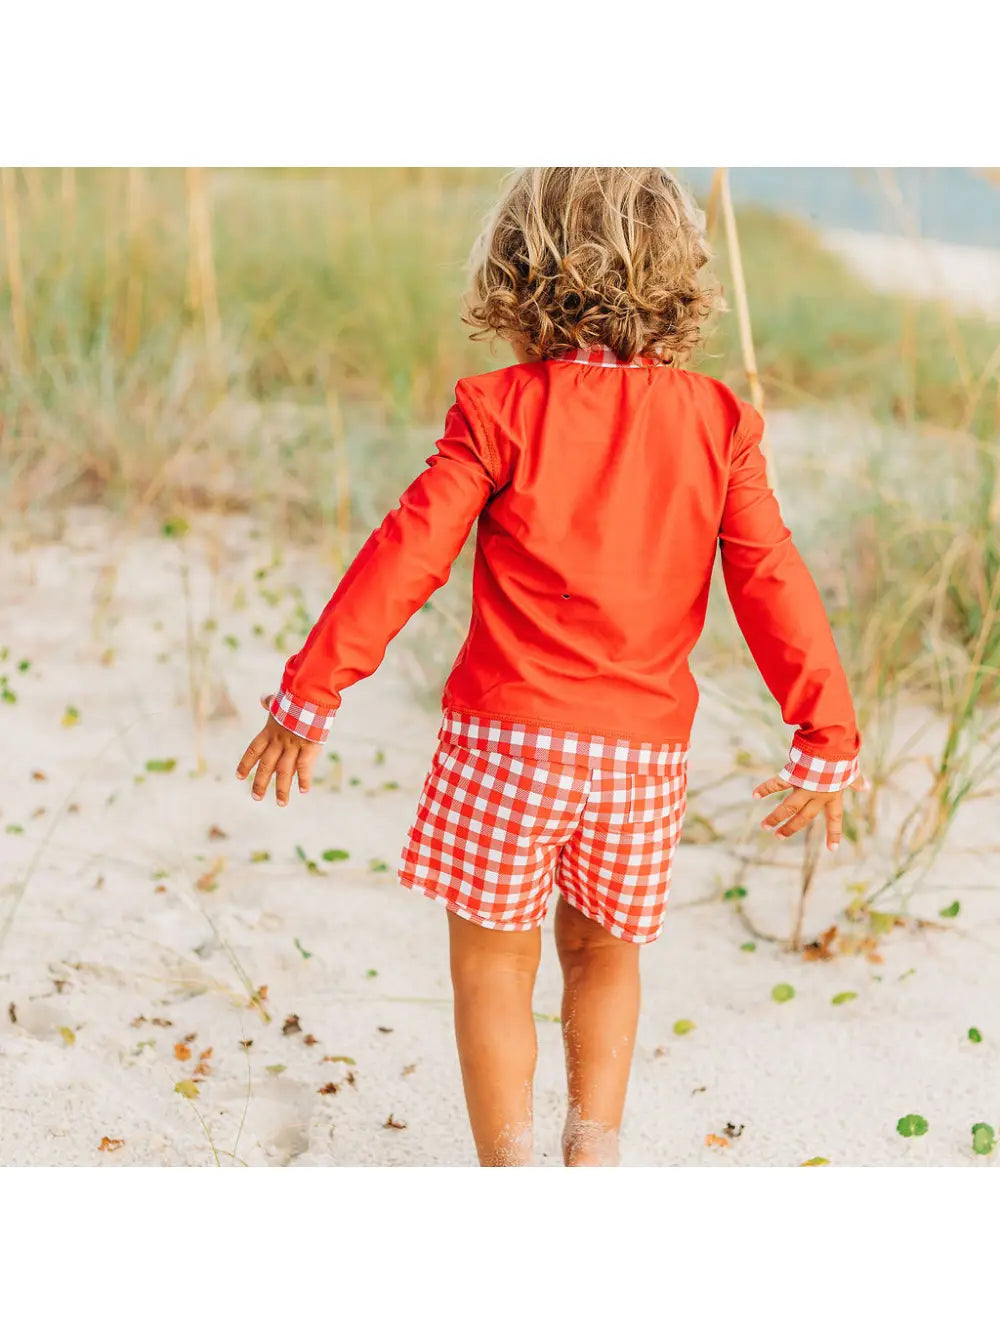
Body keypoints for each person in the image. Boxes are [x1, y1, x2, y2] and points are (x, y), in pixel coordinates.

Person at [235, 167, 866, 1168]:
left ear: (514, 279)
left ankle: (512, 1169)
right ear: (679, 284)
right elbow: (769, 576)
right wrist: (824, 732)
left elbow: (407, 551)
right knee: (605, 953)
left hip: (504, 744)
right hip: (640, 759)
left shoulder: (498, 409)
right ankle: (592, 1154)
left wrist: (309, 693)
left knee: (492, 966)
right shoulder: (719, 422)